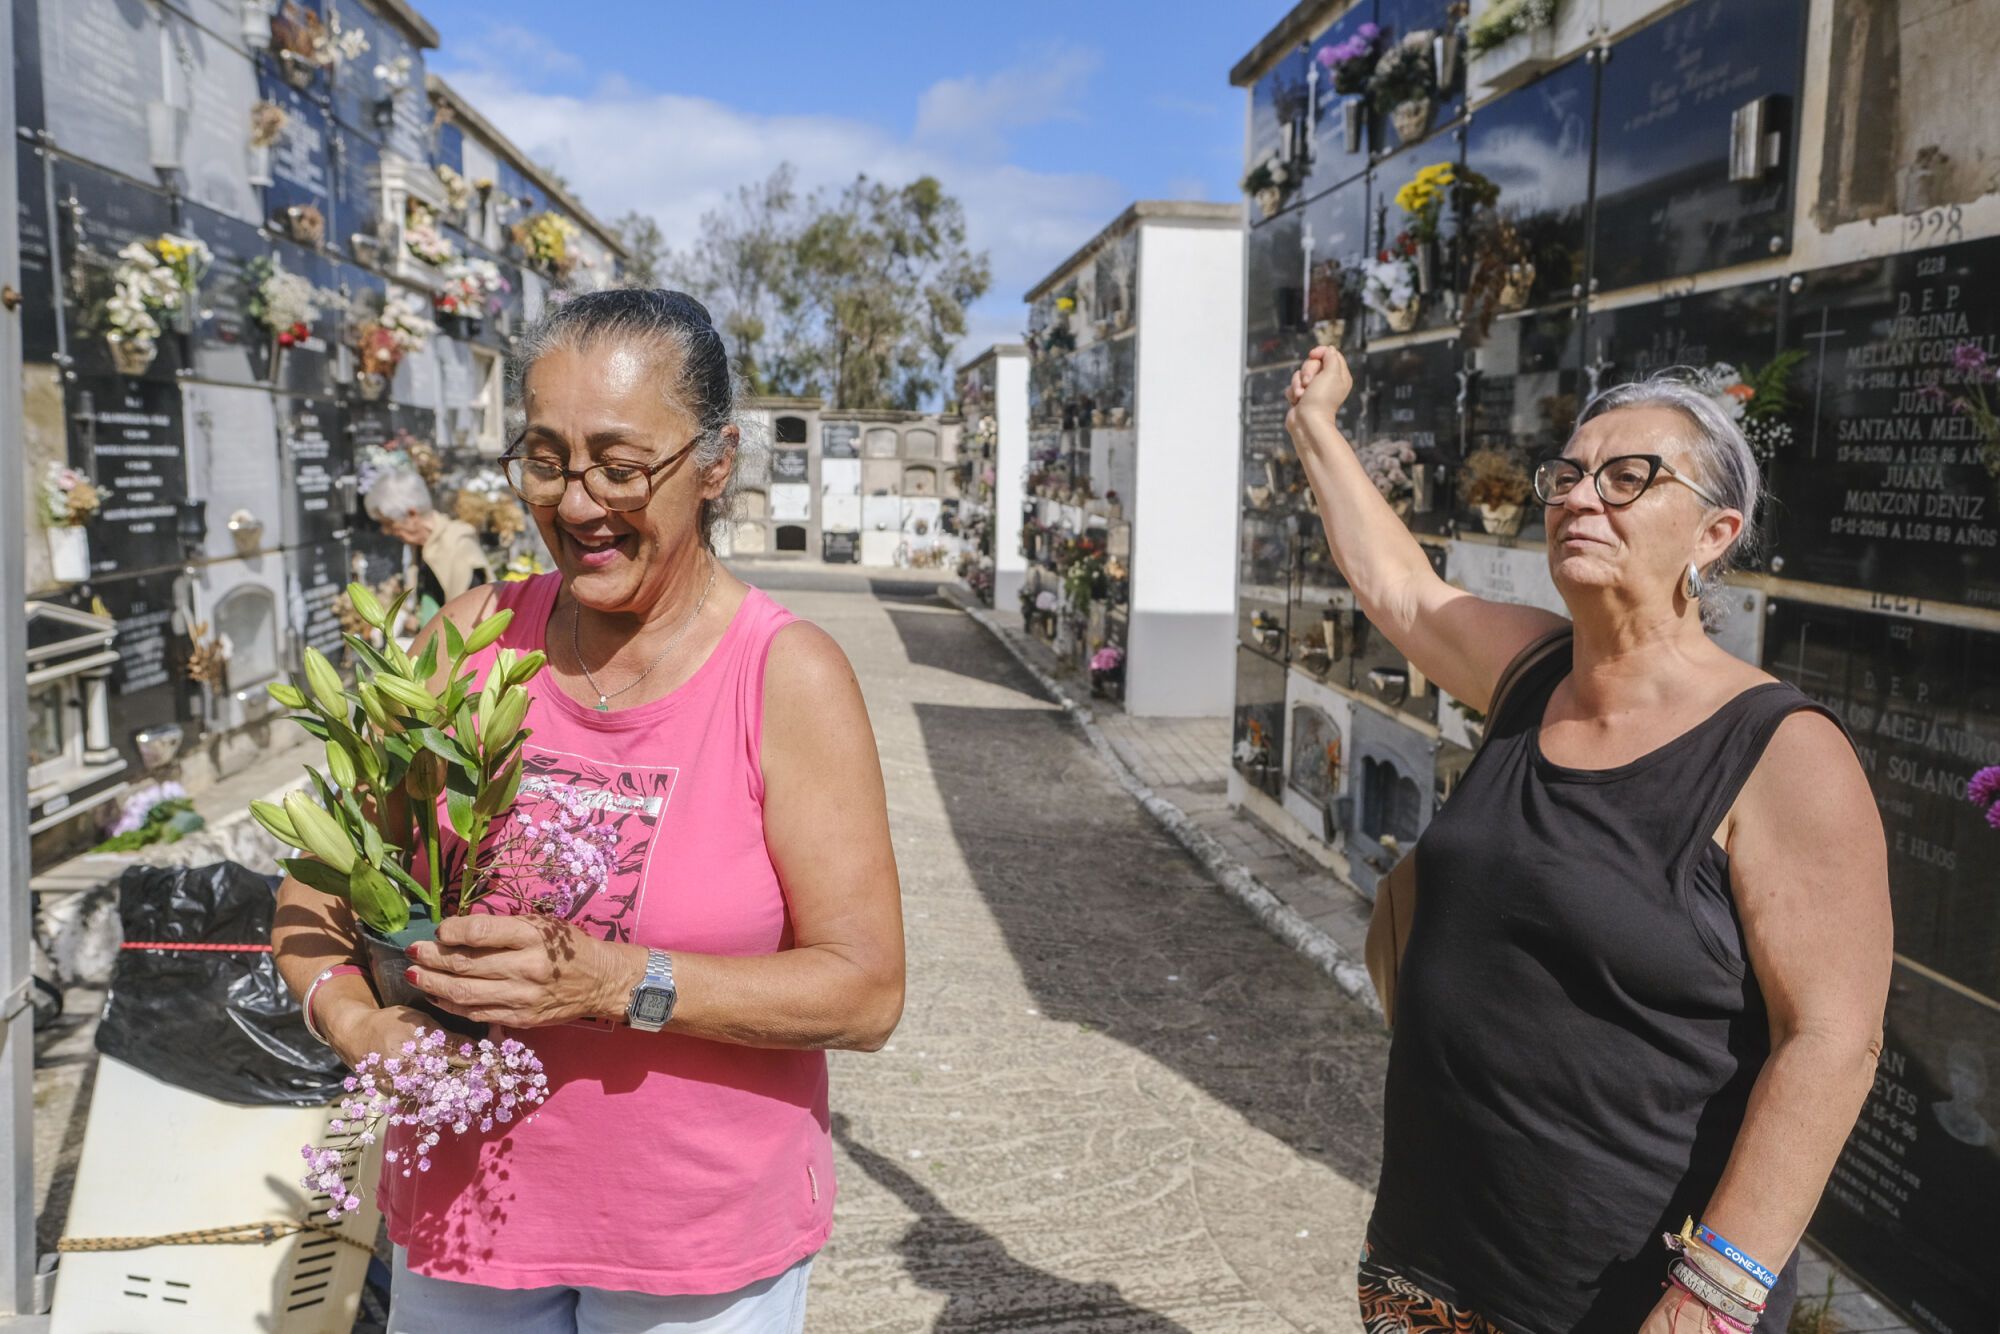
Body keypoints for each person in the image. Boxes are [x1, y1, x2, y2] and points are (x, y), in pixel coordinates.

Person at [274, 289, 906, 1332]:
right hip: (464, 1235)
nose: (575, 503)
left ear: (713, 462)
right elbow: (314, 887)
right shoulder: (474, 640)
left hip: (694, 1255)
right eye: (545, 458)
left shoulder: (782, 677)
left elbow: (865, 990)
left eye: (620, 466)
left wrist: (614, 982)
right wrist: (358, 1021)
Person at [1284, 348, 1891, 1333]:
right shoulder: (1532, 678)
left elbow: (1830, 1041)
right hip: (1423, 1273)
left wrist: (1708, 1298)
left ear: (1713, 532)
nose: (1577, 497)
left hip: (1614, 1303)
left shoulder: (1779, 751)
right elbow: (1399, 591)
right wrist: (1315, 422)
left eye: (1626, 476)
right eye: (1565, 475)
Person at [363, 468, 493, 620]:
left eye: (389, 523)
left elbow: (472, 615)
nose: (386, 531)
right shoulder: (418, 547)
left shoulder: (459, 546)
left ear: (412, 515)